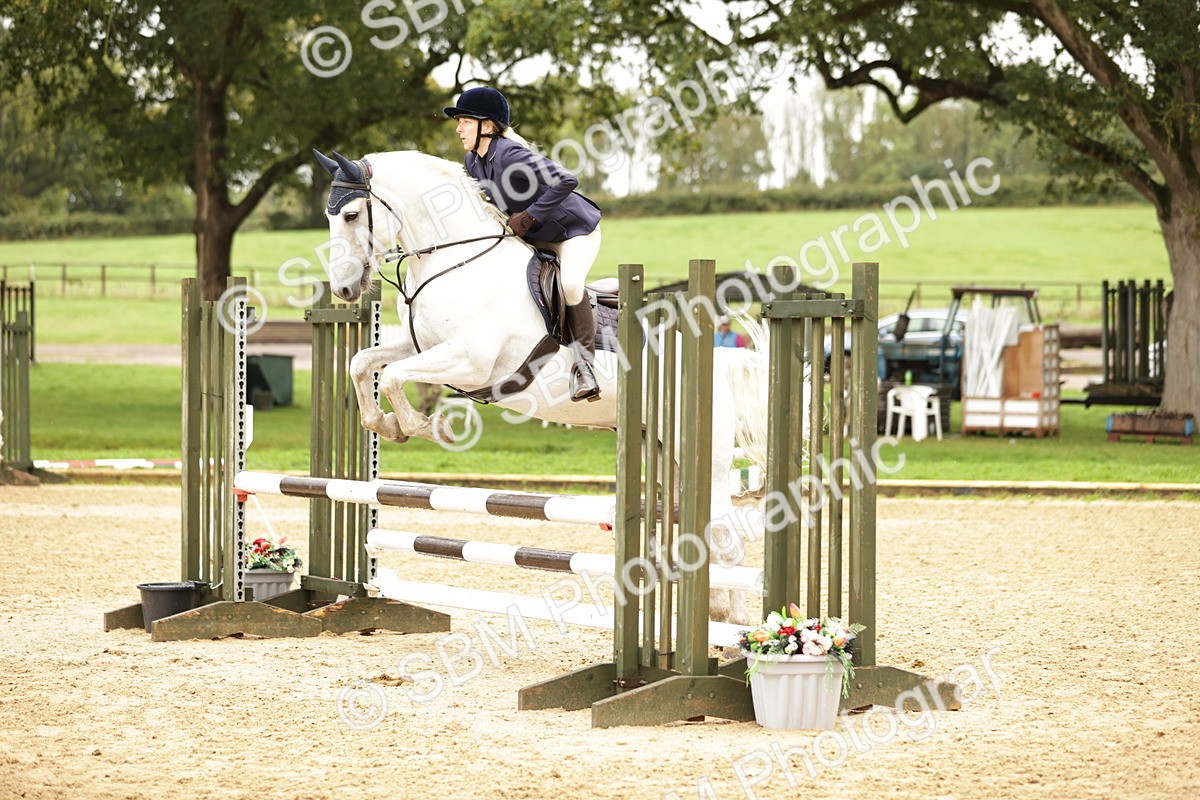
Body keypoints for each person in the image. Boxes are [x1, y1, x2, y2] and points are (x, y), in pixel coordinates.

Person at [443, 86, 603, 402]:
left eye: (465, 121)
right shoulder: (473, 160)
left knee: (570, 285)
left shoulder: (510, 154)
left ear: (487, 126)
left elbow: (567, 180)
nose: (459, 128)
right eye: (458, 121)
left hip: (574, 231)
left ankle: (586, 369)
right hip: (534, 237)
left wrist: (528, 215)